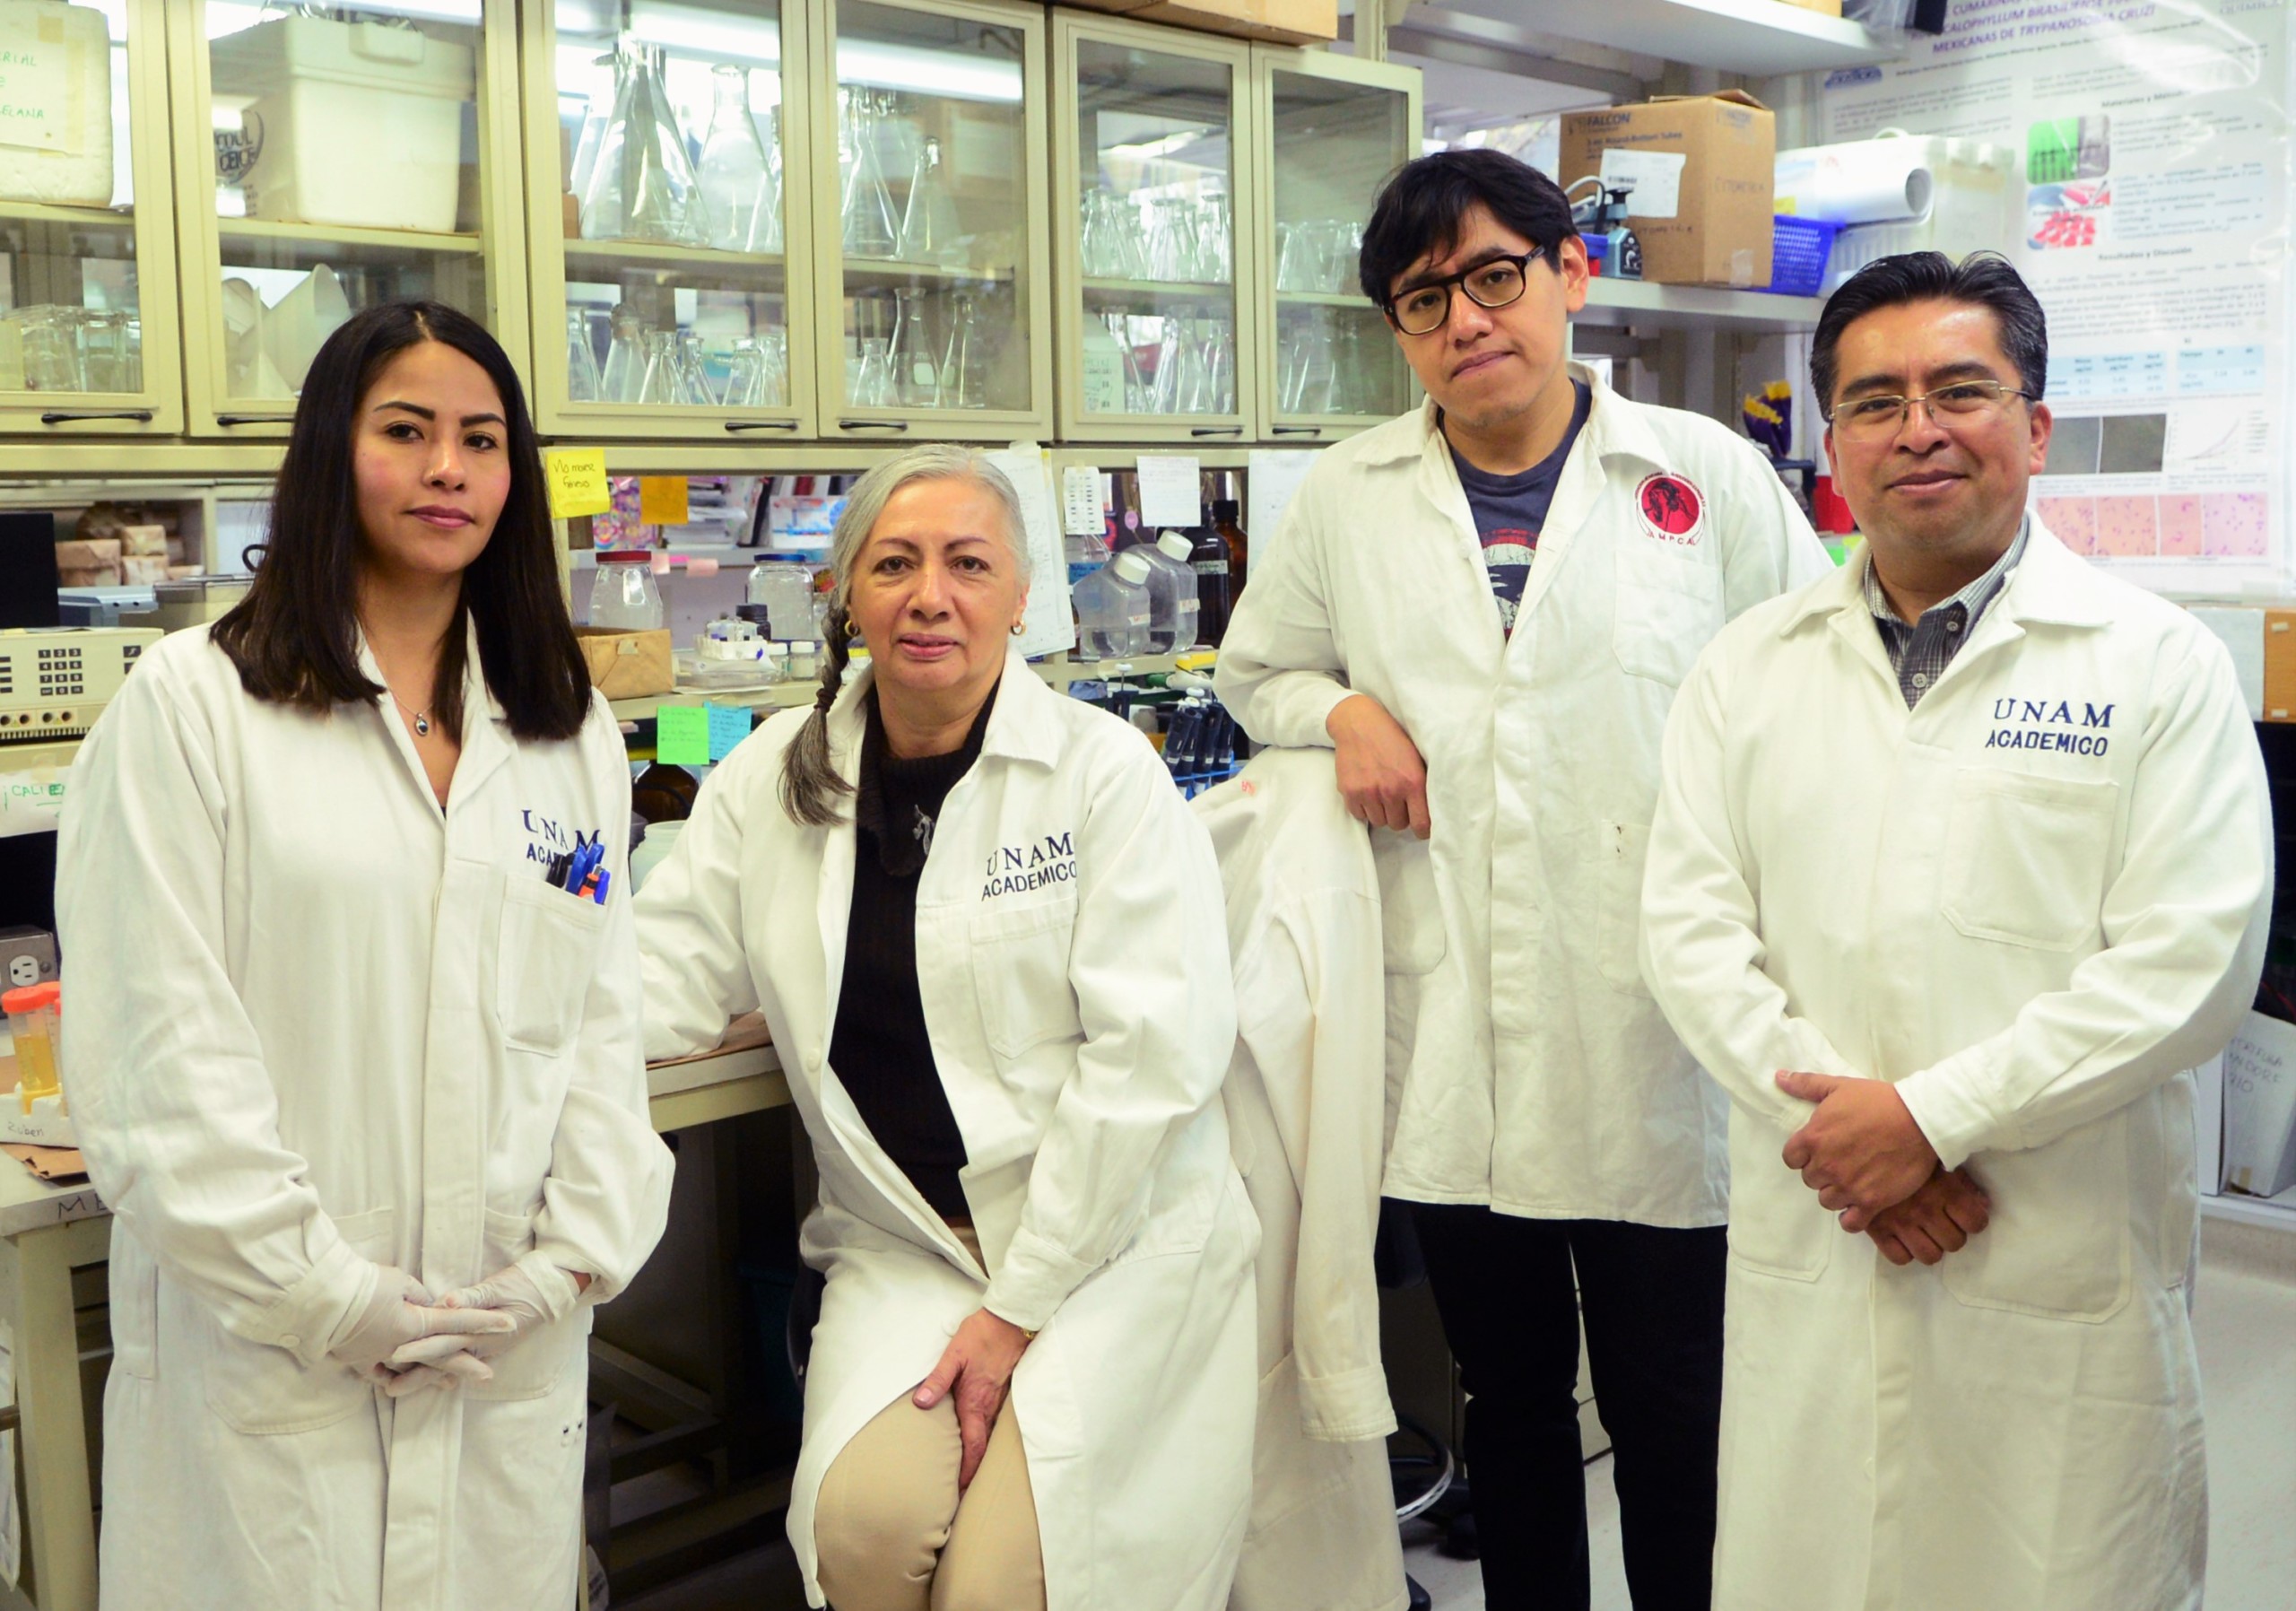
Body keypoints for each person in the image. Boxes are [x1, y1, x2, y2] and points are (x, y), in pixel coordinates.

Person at [1215, 148, 1830, 1608]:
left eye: (1495, 275)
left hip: (1656, 1026)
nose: (1465, 318)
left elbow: (1818, 682)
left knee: (1679, 1408)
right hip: (1460, 1033)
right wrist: (1344, 712)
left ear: (1569, 276)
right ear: (1400, 332)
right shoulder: (1349, 499)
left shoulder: (1704, 474)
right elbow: (1260, 667)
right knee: (1511, 1409)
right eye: (1425, 298)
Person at [1640, 251, 2270, 1610]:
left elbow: (2190, 965)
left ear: (2035, 427)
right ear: (1831, 447)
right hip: (1826, 1226)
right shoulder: (1748, 668)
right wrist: (1857, 1142)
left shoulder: (2156, 665)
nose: (1916, 427)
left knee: (2046, 1565)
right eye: (1873, 401)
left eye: (1960, 389)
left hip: (2048, 1250)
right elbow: (1690, 932)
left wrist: (1929, 1118)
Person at [55, 300, 674, 1608]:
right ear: (332, 451)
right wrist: (328, 1298)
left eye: (483, 439)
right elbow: (162, 1063)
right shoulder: (193, 710)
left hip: (507, 1349)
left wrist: (568, 1265)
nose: (450, 468)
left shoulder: (568, 736)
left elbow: (600, 1034)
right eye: (407, 431)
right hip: (275, 1361)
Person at [633, 445, 1256, 1611]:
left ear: (1021, 596)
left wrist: (1019, 1308)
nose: (931, 595)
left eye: (968, 564)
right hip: (912, 1244)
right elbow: (667, 976)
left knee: (1001, 1589)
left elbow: (1151, 1064)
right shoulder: (773, 774)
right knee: (865, 1540)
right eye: (895, 564)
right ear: (848, 595)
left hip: (1109, 1243)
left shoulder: (1101, 774)